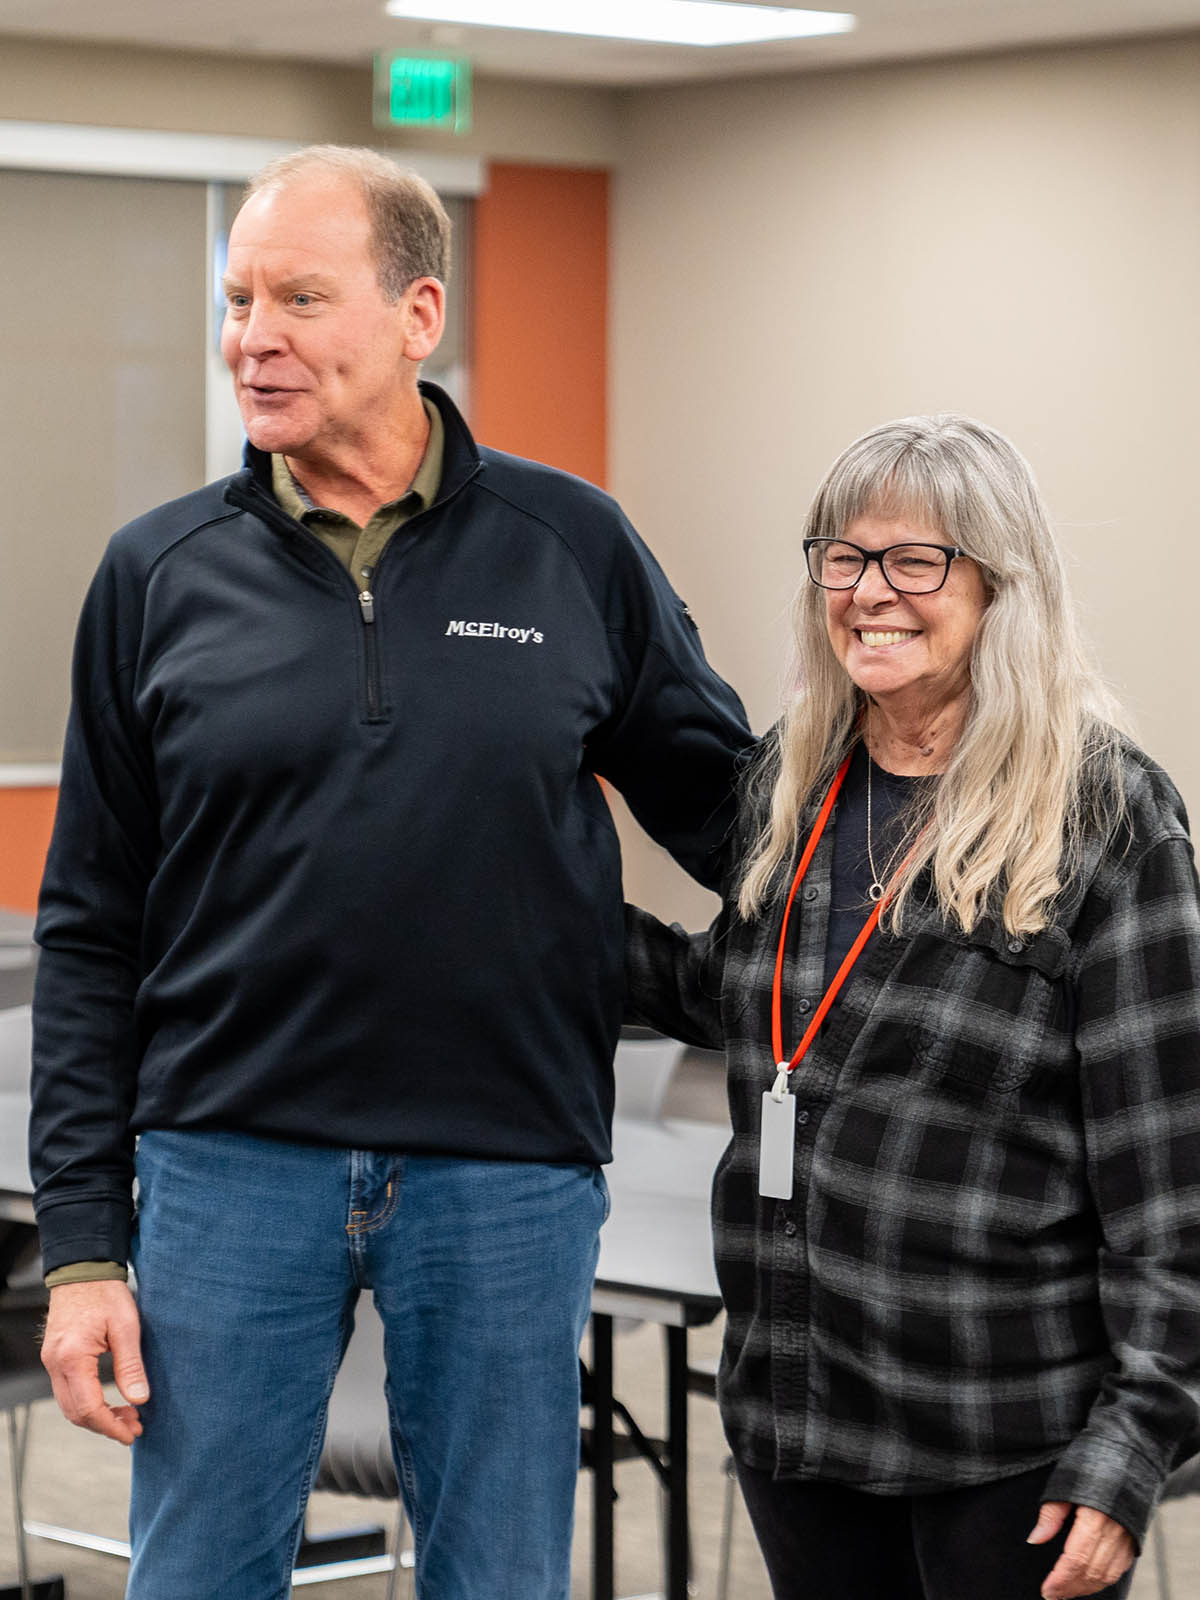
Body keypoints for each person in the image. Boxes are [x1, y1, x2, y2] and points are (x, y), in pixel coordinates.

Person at [29, 144, 751, 1600]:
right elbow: (91, 932)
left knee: (499, 1579)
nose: (253, 337)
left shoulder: (574, 549)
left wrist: (948, 815)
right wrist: (83, 1251)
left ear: (419, 316)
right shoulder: (154, 576)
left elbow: (740, 820)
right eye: (238, 300)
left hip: (504, 1173)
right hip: (227, 1164)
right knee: (198, 1579)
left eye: (301, 296)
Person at [625, 414, 1200, 1600]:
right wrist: (522, 903)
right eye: (844, 555)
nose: (870, 591)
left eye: (916, 560)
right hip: (801, 1406)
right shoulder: (802, 777)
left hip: (1004, 1439)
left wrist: (1132, 1442)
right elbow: (726, 995)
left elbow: (1172, 1177)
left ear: (1001, 586)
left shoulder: (1104, 816)